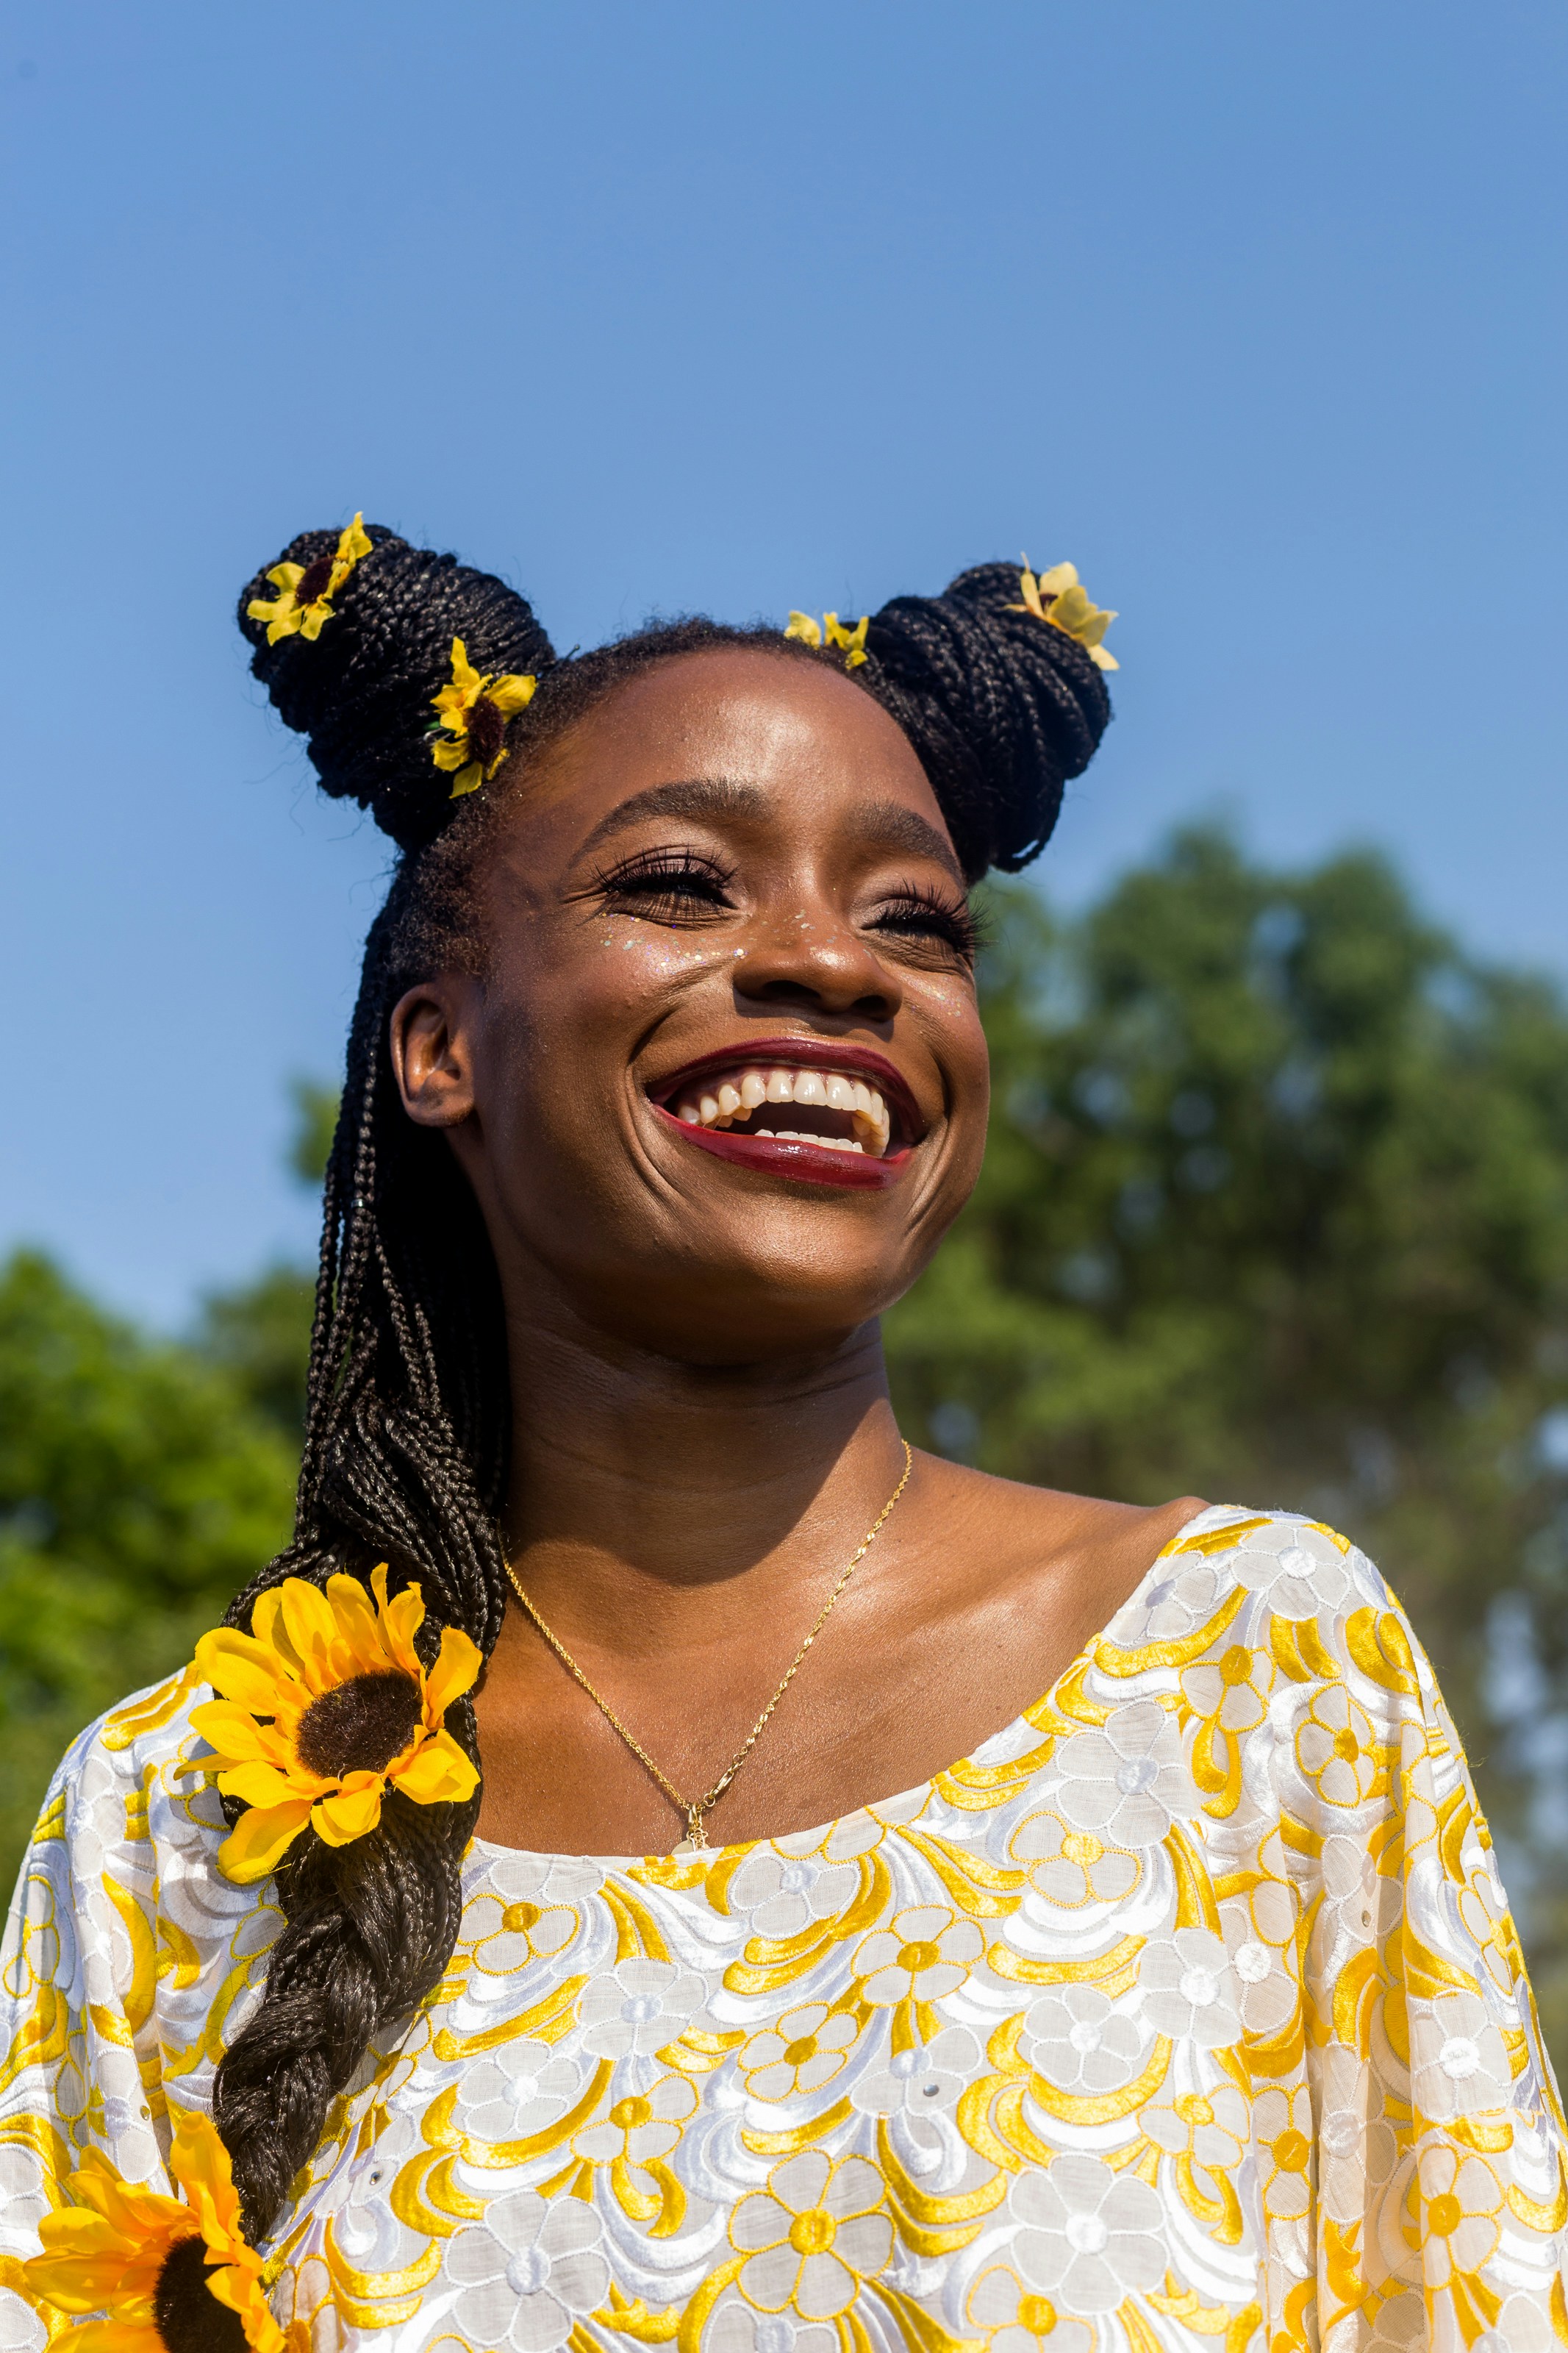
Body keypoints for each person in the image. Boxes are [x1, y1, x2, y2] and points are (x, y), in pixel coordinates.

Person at [1, 523, 1562, 2353]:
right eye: (680, 883)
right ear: (440, 1049)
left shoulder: (1249, 1670)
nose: (833, 961)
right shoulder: (175, 1825)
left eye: (916, 918)